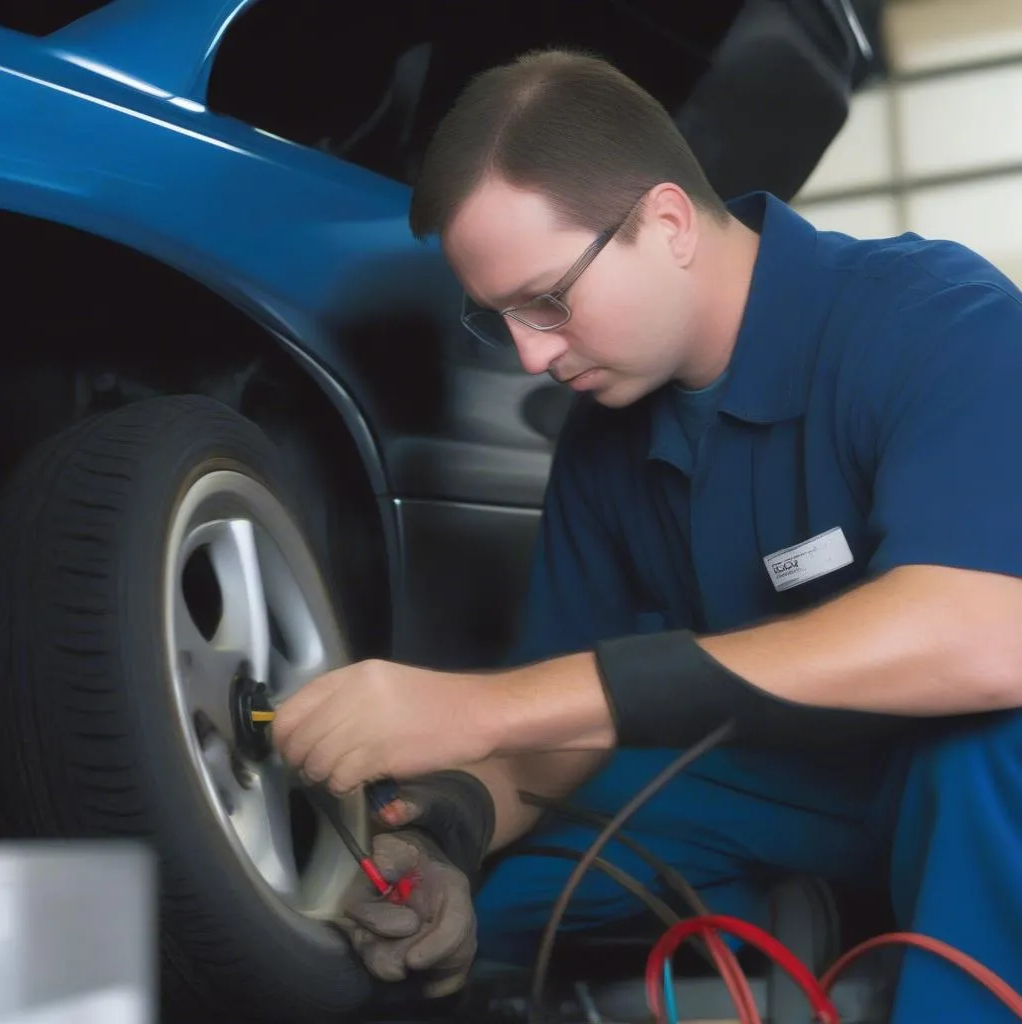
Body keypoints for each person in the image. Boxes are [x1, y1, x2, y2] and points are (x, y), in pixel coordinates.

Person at [272, 49, 1022, 1021]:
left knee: (989, 750)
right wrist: (449, 834)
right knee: (480, 916)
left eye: (547, 299)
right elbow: (560, 734)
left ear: (665, 223)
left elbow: (986, 637)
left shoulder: (931, 319)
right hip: (792, 784)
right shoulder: (605, 439)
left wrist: (486, 705)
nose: (535, 355)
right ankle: (789, 929)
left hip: (958, 756)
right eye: (500, 319)